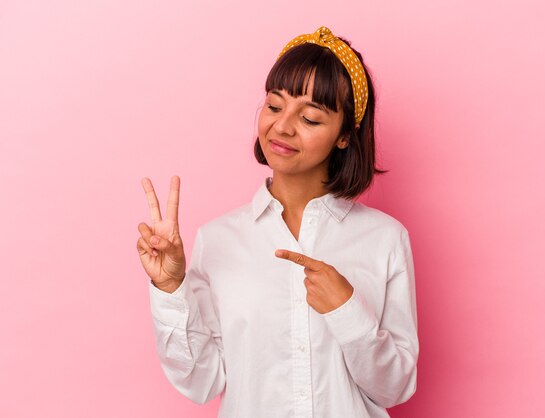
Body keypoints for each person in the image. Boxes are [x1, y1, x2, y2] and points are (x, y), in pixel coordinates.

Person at [136, 26, 418, 418]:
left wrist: (348, 311)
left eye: (310, 118)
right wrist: (170, 288)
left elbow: (395, 388)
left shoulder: (384, 239)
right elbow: (203, 381)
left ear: (344, 136)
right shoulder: (218, 239)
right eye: (274, 106)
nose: (282, 127)